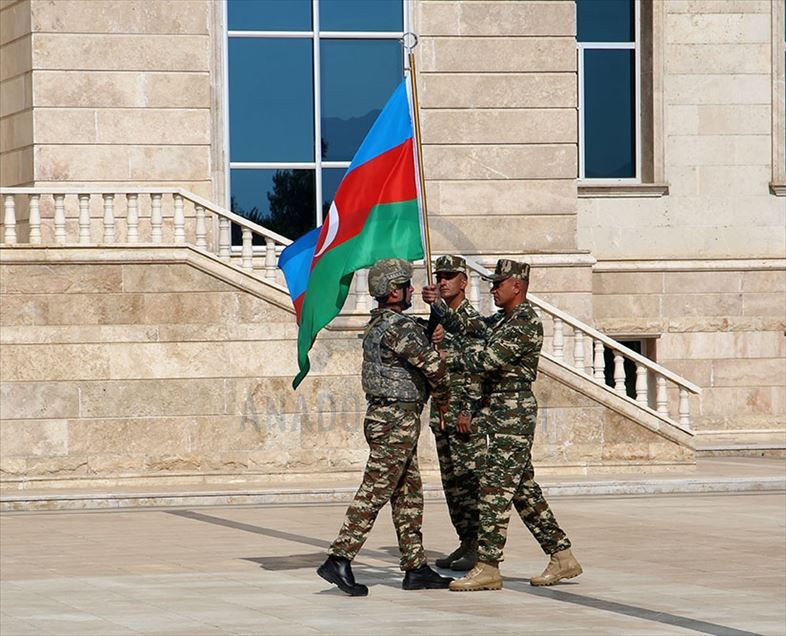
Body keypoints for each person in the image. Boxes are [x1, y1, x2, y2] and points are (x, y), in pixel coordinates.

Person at [426, 259, 581, 592]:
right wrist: (439, 308)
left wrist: (447, 359)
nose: (493, 289)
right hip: (495, 411)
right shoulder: (500, 320)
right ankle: (562, 555)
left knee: (493, 489)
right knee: (523, 491)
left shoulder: (525, 323)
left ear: (517, 286)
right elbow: (469, 327)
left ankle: (488, 566)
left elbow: (488, 359)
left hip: (514, 412)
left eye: (499, 283)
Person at [317, 258, 454, 596]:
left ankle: (415, 567)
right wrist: (445, 387)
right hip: (395, 420)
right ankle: (339, 557)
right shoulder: (399, 327)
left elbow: (413, 346)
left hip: (393, 418)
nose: (412, 290)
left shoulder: (381, 324)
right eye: (407, 286)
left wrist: (434, 321)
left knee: (408, 495)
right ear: (394, 292)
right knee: (375, 491)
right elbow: (434, 369)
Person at [424, 255, 487, 571]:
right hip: (442, 414)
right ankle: (466, 541)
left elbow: (476, 371)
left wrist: (467, 411)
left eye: (449, 276)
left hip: (463, 416)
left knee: (469, 482)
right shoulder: (440, 319)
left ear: (464, 281)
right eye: (440, 276)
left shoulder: (470, 319)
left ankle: (480, 547)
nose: (443, 281)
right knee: (452, 486)